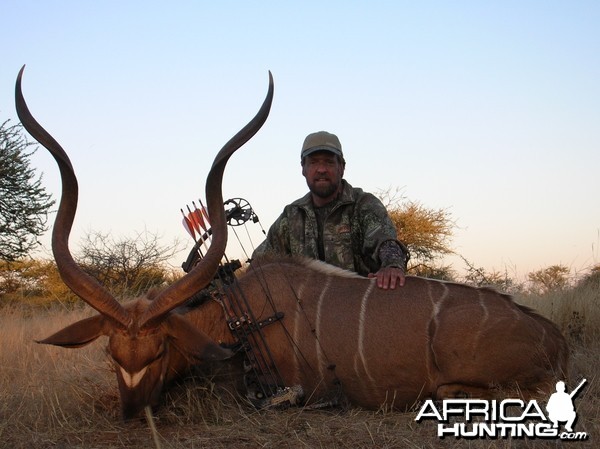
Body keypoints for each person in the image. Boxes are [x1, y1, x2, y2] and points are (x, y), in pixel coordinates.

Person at [253, 131, 409, 289]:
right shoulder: (292, 215)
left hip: (361, 306)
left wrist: (392, 264)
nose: (321, 169)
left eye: (329, 162)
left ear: (342, 167)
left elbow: (385, 241)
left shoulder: (364, 204)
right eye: (313, 162)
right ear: (303, 168)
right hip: (308, 310)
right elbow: (261, 261)